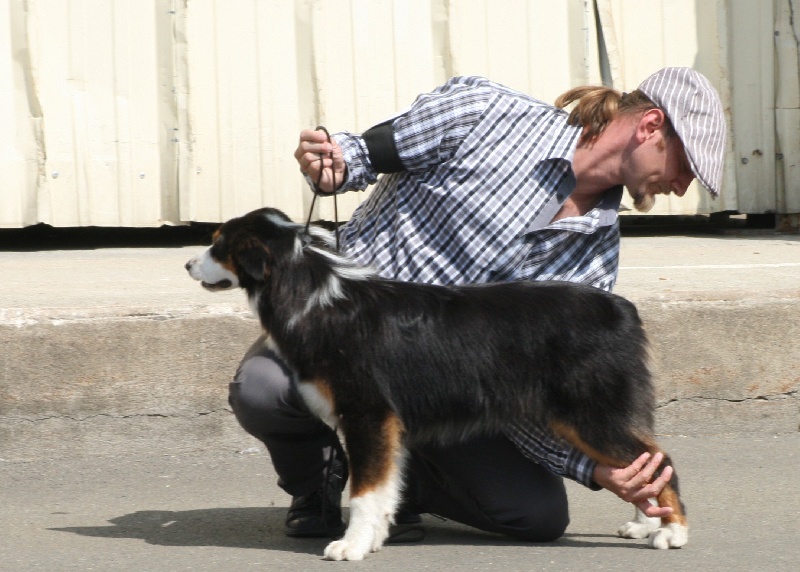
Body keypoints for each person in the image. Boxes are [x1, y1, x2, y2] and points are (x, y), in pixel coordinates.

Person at [229, 67, 726, 541]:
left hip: (449, 393)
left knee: (537, 516)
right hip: (348, 336)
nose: (682, 186)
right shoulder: (484, 111)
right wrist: (330, 163)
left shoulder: (594, 261)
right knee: (263, 388)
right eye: (685, 166)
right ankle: (317, 482)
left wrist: (591, 467)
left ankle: (399, 483)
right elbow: (358, 155)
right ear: (650, 126)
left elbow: (535, 388)